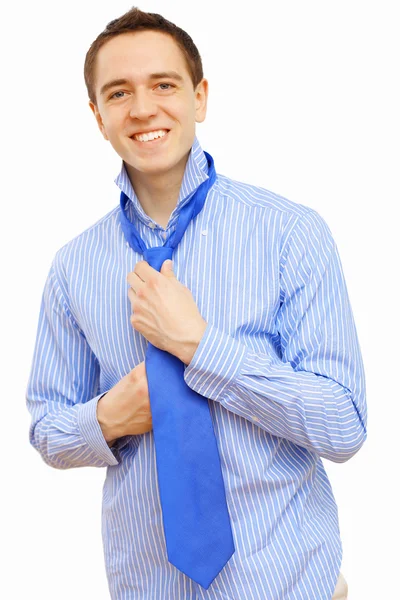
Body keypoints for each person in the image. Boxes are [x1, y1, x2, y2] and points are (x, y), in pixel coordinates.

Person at [26, 6, 366, 600]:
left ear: (200, 96)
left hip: (289, 586)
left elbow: (344, 424)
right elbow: (48, 426)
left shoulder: (290, 232)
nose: (143, 108)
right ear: (97, 115)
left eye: (164, 85)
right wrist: (109, 418)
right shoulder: (73, 267)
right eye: (119, 92)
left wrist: (200, 347)